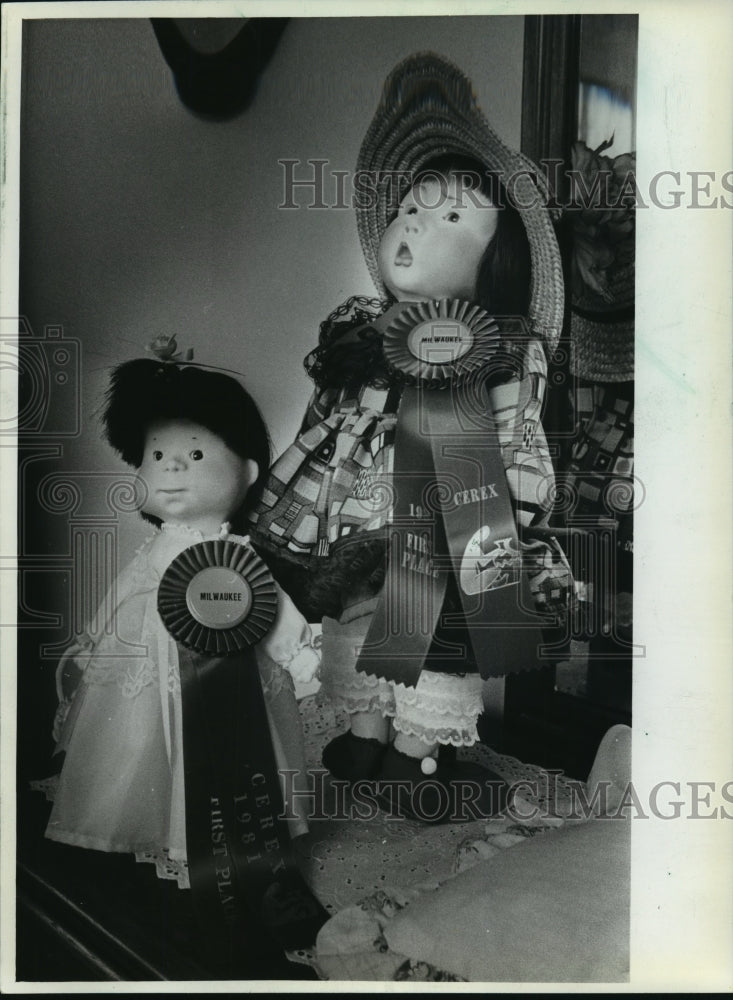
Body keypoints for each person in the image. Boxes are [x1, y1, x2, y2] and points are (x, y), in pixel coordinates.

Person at [249, 54, 573, 822]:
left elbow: (516, 434)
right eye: (411, 210)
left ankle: (417, 752)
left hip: (451, 507)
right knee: (355, 619)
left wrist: (514, 522)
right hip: (354, 511)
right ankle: (364, 733)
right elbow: (324, 417)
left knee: (435, 634)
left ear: (497, 257)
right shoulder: (359, 328)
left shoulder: (505, 347)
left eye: (451, 217)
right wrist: (297, 498)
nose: (416, 226)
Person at [43, 344, 319, 885]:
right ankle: (133, 824)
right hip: (144, 664)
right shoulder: (156, 549)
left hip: (230, 686)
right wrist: (94, 638)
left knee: (236, 746)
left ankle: (222, 829)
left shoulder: (237, 555)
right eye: (156, 454)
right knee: (133, 741)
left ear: (247, 469)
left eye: (194, 456)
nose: (169, 467)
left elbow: (269, 606)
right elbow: (125, 592)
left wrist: (299, 652)